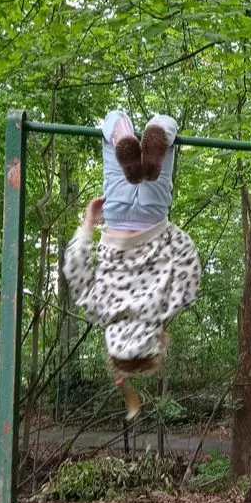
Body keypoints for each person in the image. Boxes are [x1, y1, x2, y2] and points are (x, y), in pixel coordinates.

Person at [64, 111, 201, 419]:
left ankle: (158, 132)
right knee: (112, 119)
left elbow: (190, 272)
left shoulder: (164, 310)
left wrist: (169, 234)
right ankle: (122, 136)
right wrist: (88, 223)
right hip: (116, 215)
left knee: (167, 129)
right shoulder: (101, 312)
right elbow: (74, 266)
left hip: (153, 216)